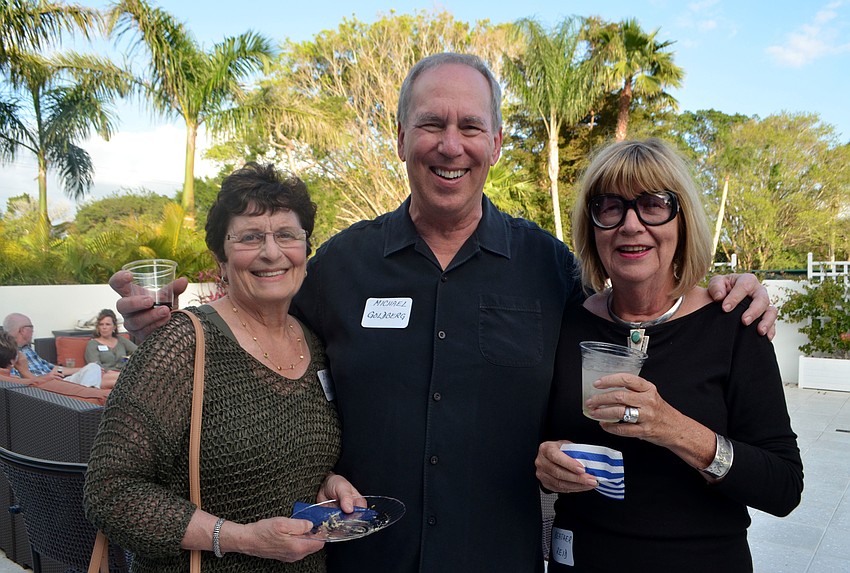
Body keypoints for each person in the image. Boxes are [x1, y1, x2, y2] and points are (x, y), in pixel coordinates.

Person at [108, 54, 778, 573]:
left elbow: (636, 301)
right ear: (401, 137)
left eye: (468, 126)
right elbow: (258, 329)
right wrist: (169, 321)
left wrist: (721, 286)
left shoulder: (549, 268)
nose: (448, 144)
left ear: (496, 141)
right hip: (362, 560)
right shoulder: (341, 264)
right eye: (431, 124)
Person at [535, 138, 803, 571]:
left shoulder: (733, 324)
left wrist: (672, 428)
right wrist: (546, 463)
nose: (631, 224)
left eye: (653, 205)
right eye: (609, 206)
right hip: (582, 559)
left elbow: (784, 487)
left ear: (683, 223)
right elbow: (538, 438)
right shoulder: (567, 324)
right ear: (593, 227)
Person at [84, 163, 360, 573]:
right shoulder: (183, 343)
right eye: (250, 237)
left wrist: (326, 481)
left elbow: (281, 457)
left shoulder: (315, 345)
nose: (271, 252)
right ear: (221, 258)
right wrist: (239, 538)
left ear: (305, 249)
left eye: (286, 235)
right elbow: (109, 491)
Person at [1, 312, 104, 385]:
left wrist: (82, 369)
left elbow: (52, 368)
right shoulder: (10, 354)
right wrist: (46, 378)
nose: (33, 331)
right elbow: (19, 382)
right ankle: (89, 397)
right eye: (31, 328)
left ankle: (90, 394)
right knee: (101, 377)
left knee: (93, 368)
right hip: (48, 389)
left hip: (56, 381)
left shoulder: (27, 349)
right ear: (23, 330)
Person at [84, 309, 136, 389]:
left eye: (107, 324)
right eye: (101, 324)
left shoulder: (121, 340)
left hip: (123, 372)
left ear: (114, 327)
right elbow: (95, 366)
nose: (104, 327)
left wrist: (126, 360)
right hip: (105, 376)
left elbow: (138, 352)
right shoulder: (93, 344)